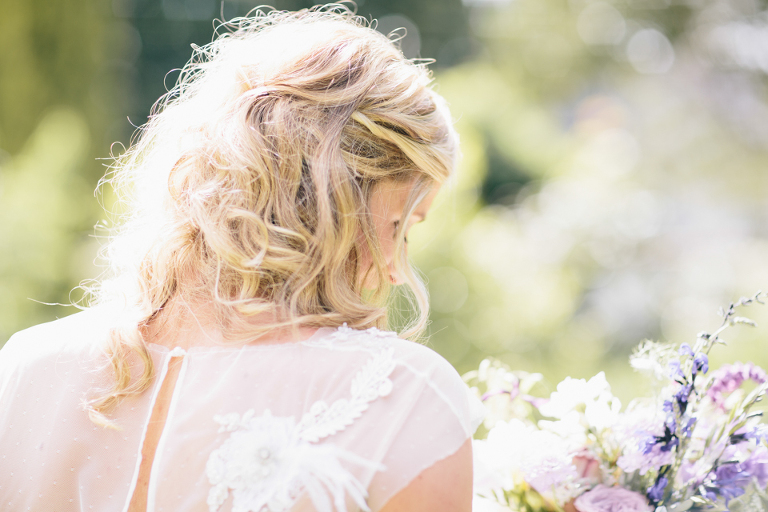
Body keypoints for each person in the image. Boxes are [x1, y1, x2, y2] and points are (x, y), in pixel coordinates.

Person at [0, 6, 485, 512]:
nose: (392, 268)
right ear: (339, 200)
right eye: (398, 226)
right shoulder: (401, 397)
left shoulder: (25, 366)